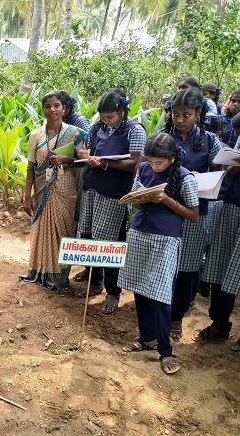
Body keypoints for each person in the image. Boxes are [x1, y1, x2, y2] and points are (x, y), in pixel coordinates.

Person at [118, 133, 199, 374]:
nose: (154, 166)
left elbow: (193, 215)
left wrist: (165, 200)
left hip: (166, 239)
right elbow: (134, 202)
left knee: (161, 296)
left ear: (172, 157)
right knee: (140, 288)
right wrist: (139, 198)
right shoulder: (143, 169)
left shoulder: (184, 177)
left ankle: (166, 350)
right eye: (151, 161)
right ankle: (147, 338)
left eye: (159, 162)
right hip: (139, 233)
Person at [193, 93, 240, 352]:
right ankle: (219, 323)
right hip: (232, 207)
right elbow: (229, 173)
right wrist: (236, 162)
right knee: (220, 266)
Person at [74, 91, 147, 313]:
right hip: (92, 186)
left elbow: (135, 162)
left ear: (122, 111)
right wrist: (86, 155)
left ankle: (113, 291)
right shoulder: (98, 127)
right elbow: (92, 151)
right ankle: (94, 280)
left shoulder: (134, 130)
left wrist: (105, 162)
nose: (106, 121)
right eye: (103, 117)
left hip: (115, 191)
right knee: (89, 235)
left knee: (111, 241)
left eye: (110, 117)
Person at [162, 88, 221, 339]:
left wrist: (199, 177)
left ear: (197, 113)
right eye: (175, 114)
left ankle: (177, 316)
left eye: (186, 115)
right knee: (164, 264)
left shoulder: (210, 140)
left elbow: (217, 175)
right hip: (164, 209)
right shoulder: (164, 137)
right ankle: (160, 311)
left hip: (196, 211)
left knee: (187, 267)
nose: (180, 120)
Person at [19, 91, 88, 290]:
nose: (52, 110)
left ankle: (58, 276)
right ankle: (39, 271)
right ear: (42, 110)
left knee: (62, 230)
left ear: (64, 109)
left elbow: (84, 162)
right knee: (41, 230)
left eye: (56, 105)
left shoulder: (75, 133)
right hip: (42, 189)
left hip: (65, 190)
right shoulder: (36, 135)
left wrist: (67, 159)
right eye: (48, 106)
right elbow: (30, 167)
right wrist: (27, 196)